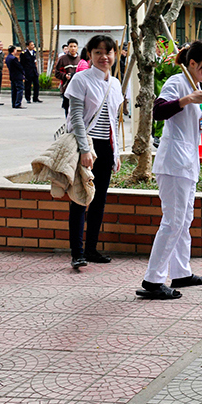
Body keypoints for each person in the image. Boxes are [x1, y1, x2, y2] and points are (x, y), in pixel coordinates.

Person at [136, 40, 202, 300]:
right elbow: (158, 111)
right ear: (192, 63)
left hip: (188, 163)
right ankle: (153, 280)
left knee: (184, 220)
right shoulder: (176, 83)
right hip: (173, 164)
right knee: (172, 222)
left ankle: (181, 271)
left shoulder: (200, 88)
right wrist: (186, 99)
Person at [65, 35, 124, 269]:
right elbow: (76, 117)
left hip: (106, 147)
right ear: (89, 55)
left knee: (99, 200)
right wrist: (84, 149)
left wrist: (116, 152)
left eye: (108, 52)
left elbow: (114, 121)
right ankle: (77, 252)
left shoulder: (116, 83)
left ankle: (91, 249)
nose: (104, 57)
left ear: (115, 55)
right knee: (80, 198)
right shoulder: (81, 79)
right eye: (98, 52)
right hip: (87, 145)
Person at [54, 38, 81, 117]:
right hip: (67, 88)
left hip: (78, 89)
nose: (73, 48)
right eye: (71, 46)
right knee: (67, 110)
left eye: (74, 46)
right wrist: (65, 76)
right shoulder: (62, 59)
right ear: (68, 48)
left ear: (77, 48)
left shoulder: (80, 59)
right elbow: (57, 73)